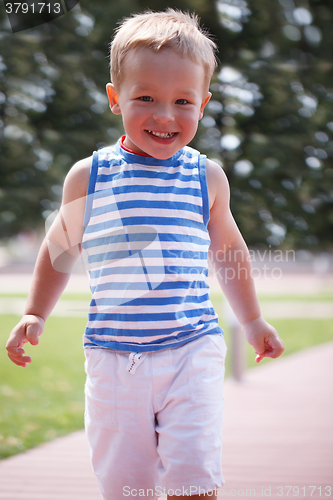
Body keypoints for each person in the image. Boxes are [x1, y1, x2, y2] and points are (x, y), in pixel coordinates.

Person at [6, 9, 284, 500]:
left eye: (183, 101)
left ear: (203, 104)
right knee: (126, 485)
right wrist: (35, 311)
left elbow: (230, 254)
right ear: (116, 99)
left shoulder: (207, 178)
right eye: (146, 98)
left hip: (191, 349)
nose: (165, 115)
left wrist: (254, 319)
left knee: (193, 479)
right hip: (114, 357)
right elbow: (59, 250)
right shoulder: (88, 177)